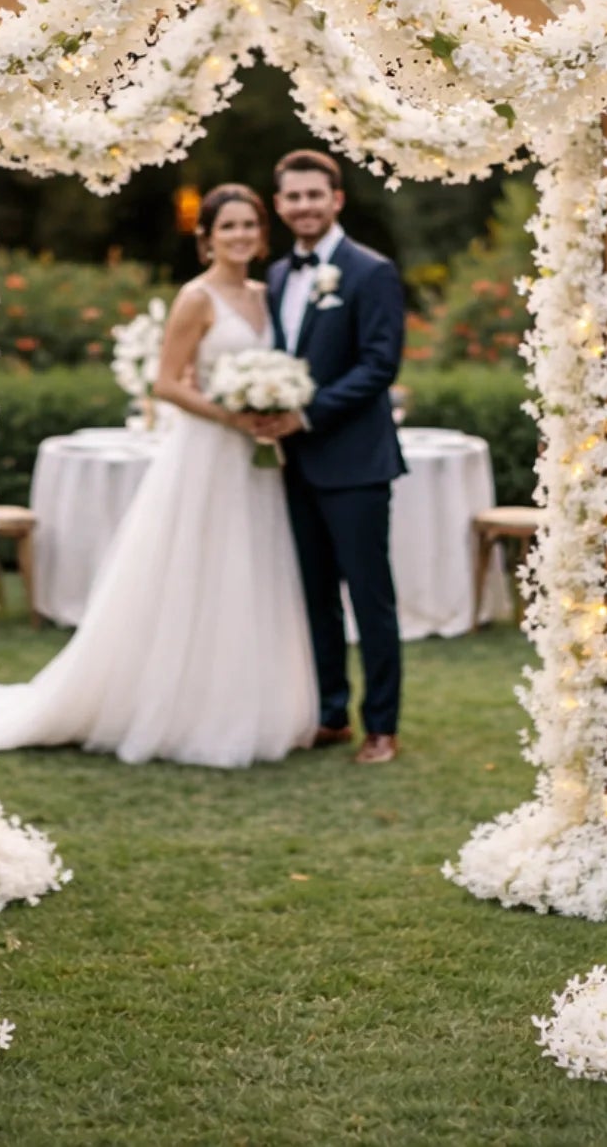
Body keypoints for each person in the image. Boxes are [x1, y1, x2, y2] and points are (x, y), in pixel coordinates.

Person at [0, 185, 318, 768]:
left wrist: (274, 408)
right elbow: (166, 382)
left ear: (262, 234)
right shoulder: (196, 297)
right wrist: (233, 416)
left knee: (250, 570)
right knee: (196, 569)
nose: (239, 236)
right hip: (208, 453)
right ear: (206, 237)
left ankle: (249, 703)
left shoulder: (269, 294)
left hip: (257, 463)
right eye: (227, 227)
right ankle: (172, 708)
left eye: (248, 225)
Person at [259, 150, 407, 765]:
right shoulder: (274, 276)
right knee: (315, 596)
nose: (304, 206)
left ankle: (381, 726)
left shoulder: (371, 272)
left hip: (356, 465)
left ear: (337, 199)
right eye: (293, 197)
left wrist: (306, 413)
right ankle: (329, 714)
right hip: (292, 465)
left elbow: (379, 365)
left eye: (314, 195)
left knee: (369, 599)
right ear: (279, 205)